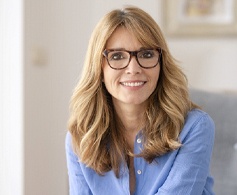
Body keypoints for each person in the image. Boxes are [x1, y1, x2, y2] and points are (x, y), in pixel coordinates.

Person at [65, 6, 215, 195]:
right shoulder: (80, 137)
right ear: (99, 68)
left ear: (161, 63)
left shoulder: (195, 127)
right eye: (117, 56)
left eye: (146, 54)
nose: (133, 68)